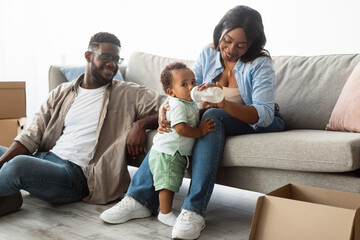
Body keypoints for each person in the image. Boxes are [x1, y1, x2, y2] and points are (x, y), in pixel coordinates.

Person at [100, 5, 285, 240]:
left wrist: (224, 104)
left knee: (212, 116)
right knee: (179, 123)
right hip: (218, 118)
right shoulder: (209, 53)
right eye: (226, 41)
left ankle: (193, 211)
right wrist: (166, 108)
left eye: (241, 45)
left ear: (253, 43)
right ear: (220, 32)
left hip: (257, 121)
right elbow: (184, 88)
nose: (230, 50)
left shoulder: (260, 64)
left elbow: (265, 114)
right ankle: (138, 199)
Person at [0, 32, 165, 217]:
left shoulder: (128, 93)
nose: (112, 63)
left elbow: (174, 106)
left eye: (116, 59)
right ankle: (9, 199)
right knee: (9, 157)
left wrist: (141, 124)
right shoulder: (62, 92)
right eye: (106, 57)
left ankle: (8, 192)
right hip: (45, 159)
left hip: (76, 176)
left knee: (17, 165)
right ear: (88, 56)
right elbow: (31, 135)